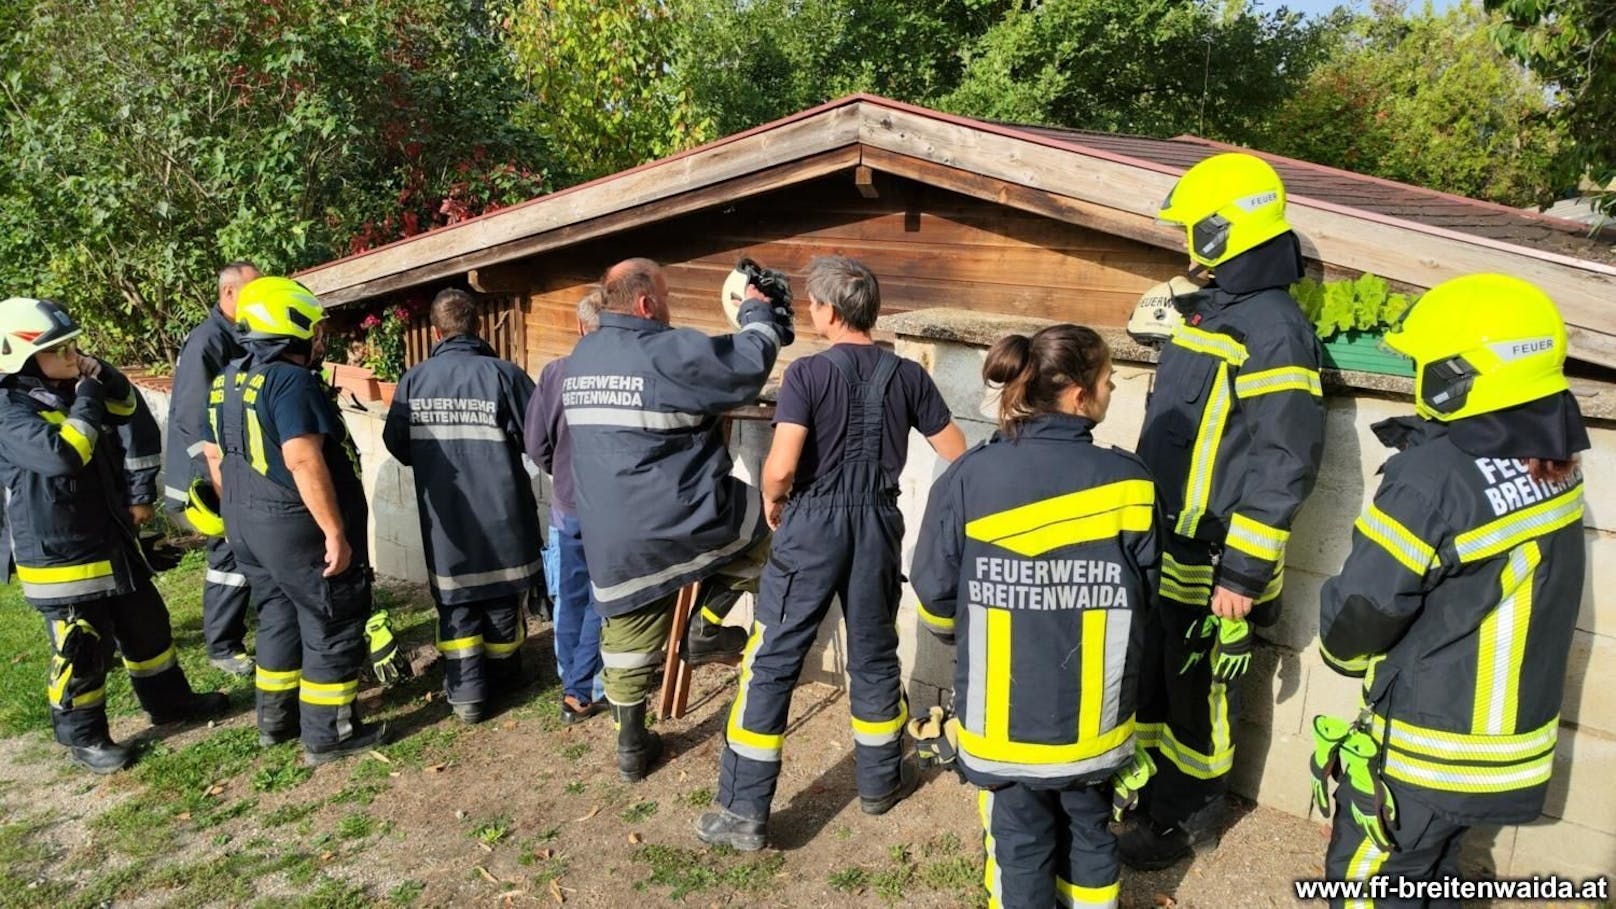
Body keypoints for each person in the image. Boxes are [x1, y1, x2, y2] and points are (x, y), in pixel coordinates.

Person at [1315, 274, 1587, 905]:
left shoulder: (1432, 478)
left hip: (1428, 744)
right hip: (1510, 745)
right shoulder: (1557, 464)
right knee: (1441, 876)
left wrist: (1342, 656)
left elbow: (1367, 606)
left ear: (1460, 372)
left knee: (1367, 881)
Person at [696, 256, 965, 849]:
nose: (812, 313)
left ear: (833, 312)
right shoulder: (909, 376)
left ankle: (743, 812)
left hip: (812, 523)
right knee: (873, 653)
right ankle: (878, 784)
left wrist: (772, 500)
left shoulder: (807, 375)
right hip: (877, 523)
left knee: (772, 664)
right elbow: (958, 450)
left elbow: (783, 464)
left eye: (815, 304)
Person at [1122, 152, 1326, 867]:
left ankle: (1189, 816)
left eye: (1191, 228)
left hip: (1217, 556)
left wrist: (1242, 571)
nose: (1183, 241)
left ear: (1219, 230)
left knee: (1198, 692)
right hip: (1169, 537)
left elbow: (1285, 459)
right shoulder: (1220, 307)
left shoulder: (1274, 327)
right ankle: (1154, 797)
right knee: (1160, 677)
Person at [912, 325, 1159, 908]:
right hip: (1093, 726)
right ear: (1078, 395)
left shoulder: (971, 477)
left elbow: (932, 594)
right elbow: (1148, 596)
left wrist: (959, 633)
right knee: (1091, 836)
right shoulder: (1131, 483)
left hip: (1003, 727)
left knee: (1020, 845)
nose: (1111, 390)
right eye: (1107, 380)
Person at [565, 257, 793, 782]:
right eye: (666, 298)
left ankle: (630, 747)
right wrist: (759, 317)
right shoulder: (662, 350)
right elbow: (740, 368)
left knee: (627, 634)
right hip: (679, 518)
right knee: (767, 535)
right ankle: (708, 629)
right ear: (646, 304)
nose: (668, 308)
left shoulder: (583, 356)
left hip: (609, 534)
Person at [0, 296, 227, 773]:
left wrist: (101, 373)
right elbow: (63, 455)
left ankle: (170, 704)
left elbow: (125, 408)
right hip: (60, 554)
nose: (72, 354)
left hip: (108, 537)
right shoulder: (10, 411)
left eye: (73, 345)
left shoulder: (63, 389)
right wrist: (85, 394)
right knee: (81, 648)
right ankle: (84, 737)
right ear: (19, 358)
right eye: (58, 349)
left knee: (148, 628)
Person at [202, 276, 386, 765]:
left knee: (278, 616)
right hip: (293, 524)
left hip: (245, 522)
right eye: (315, 327)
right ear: (292, 325)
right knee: (332, 619)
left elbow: (216, 457)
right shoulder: (291, 381)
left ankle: (274, 721)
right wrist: (333, 531)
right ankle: (330, 735)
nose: (319, 337)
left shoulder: (228, 378)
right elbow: (303, 460)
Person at [383, 288, 543, 724]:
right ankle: (506, 676)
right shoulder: (504, 375)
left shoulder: (414, 380)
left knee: (456, 602)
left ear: (436, 331)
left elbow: (397, 443)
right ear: (477, 324)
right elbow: (538, 436)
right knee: (500, 596)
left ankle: (469, 693)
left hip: (445, 518)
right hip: (502, 513)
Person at [166, 261, 259, 676]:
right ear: (228, 293)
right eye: (252, 292)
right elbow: (191, 416)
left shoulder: (239, 333)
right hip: (214, 473)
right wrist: (216, 479)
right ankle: (222, 645)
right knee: (228, 558)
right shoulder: (208, 341)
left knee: (243, 552)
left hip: (238, 465)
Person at [526, 286, 608, 725]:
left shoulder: (555, 373)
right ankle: (584, 685)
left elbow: (536, 442)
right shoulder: (621, 370)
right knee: (600, 597)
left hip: (567, 505)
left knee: (570, 597)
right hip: (610, 509)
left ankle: (571, 678)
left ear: (580, 325)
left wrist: (560, 472)